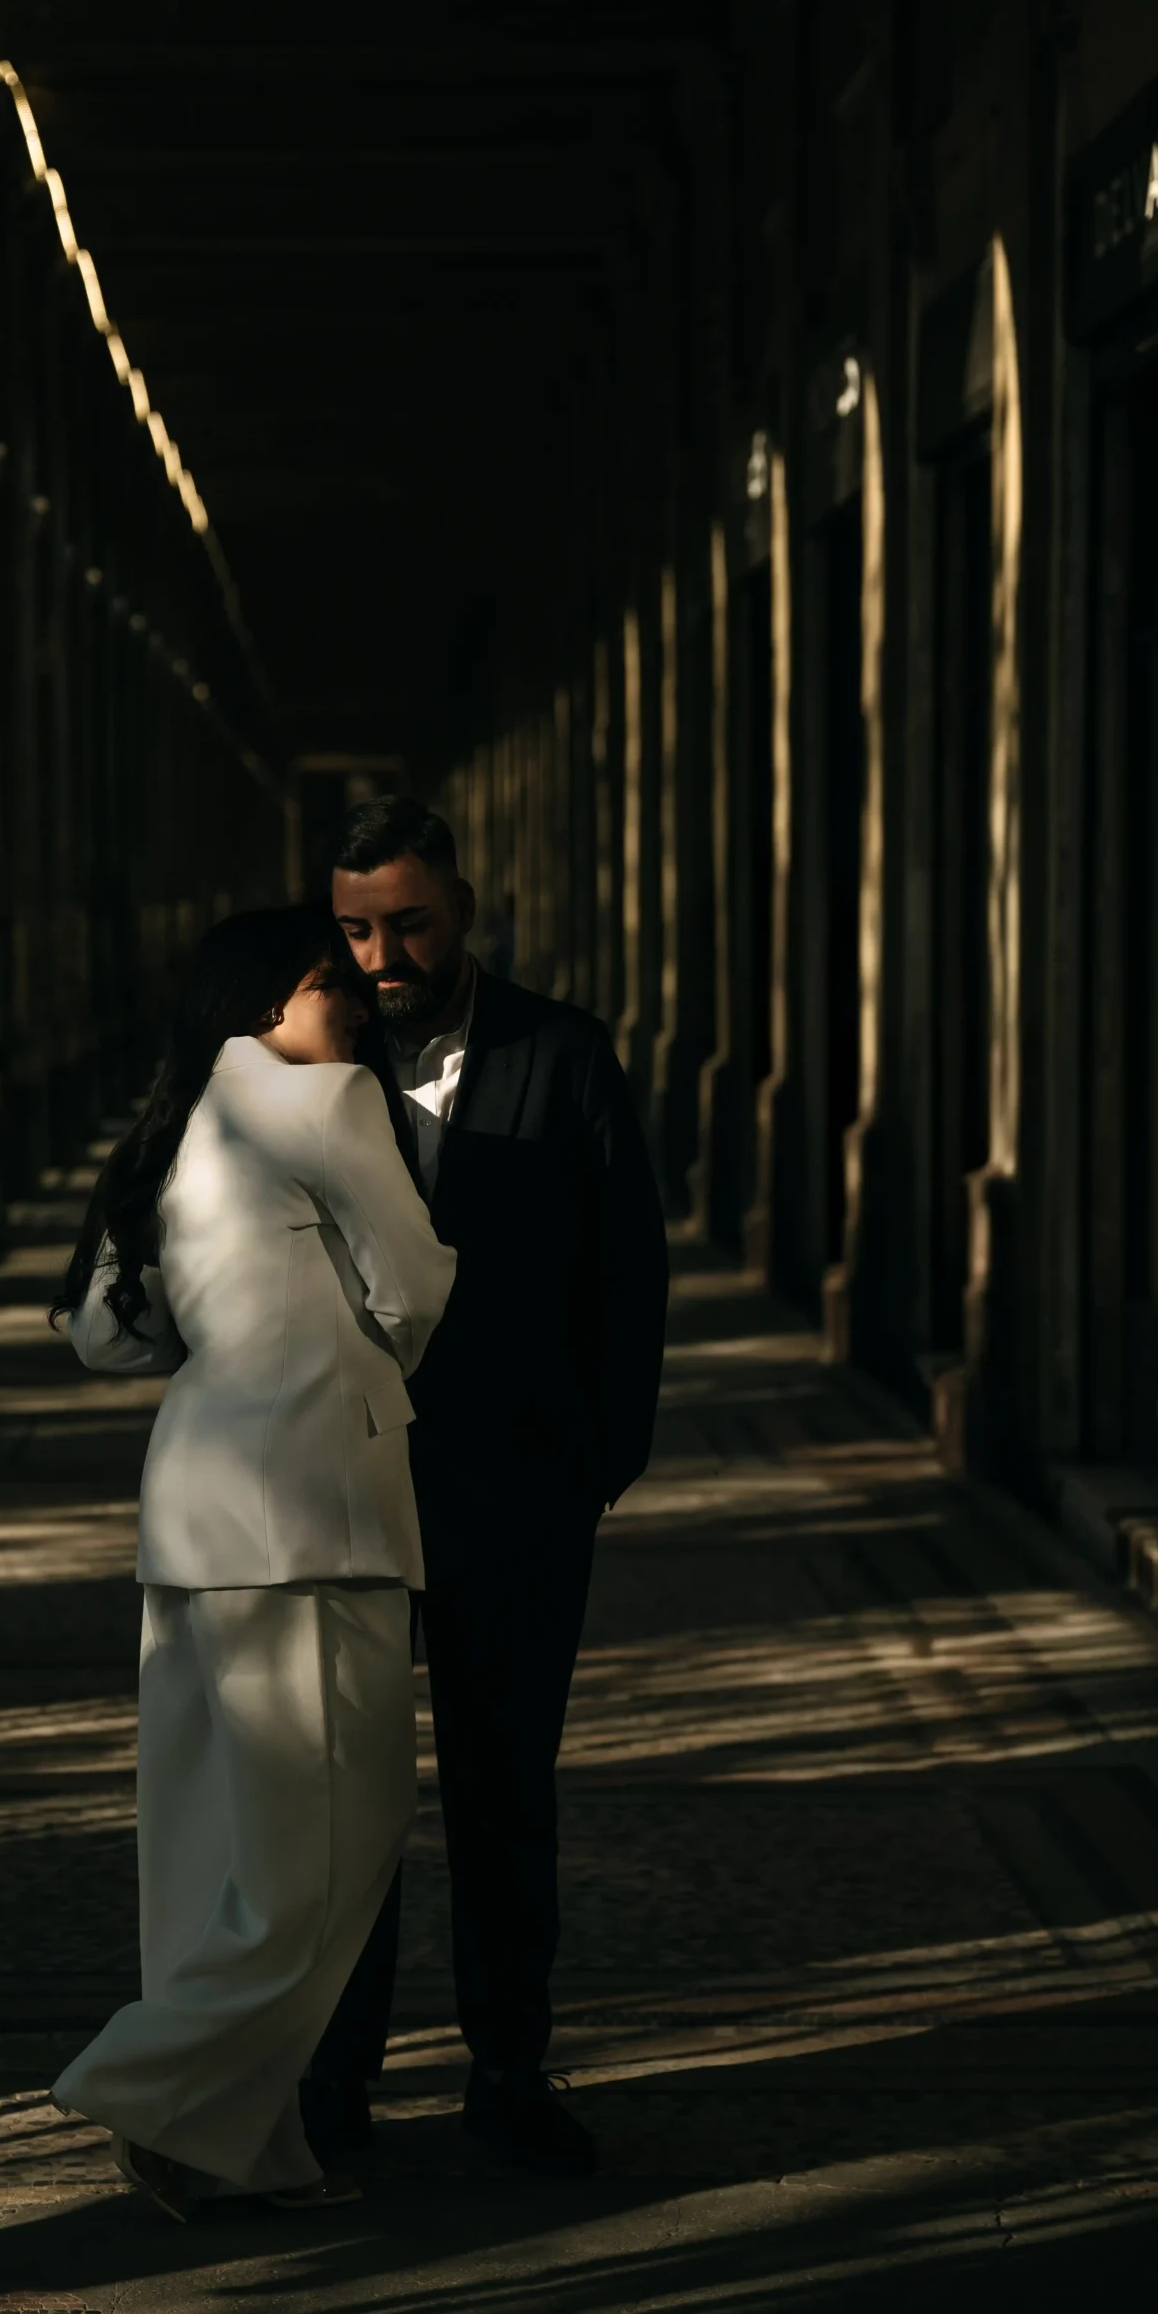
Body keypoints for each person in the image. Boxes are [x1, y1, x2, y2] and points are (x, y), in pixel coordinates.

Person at [50, 902, 456, 2220]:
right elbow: (416, 1291)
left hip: (194, 1512)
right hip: (309, 1515)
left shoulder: (175, 1124)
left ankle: (228, 2140)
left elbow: (105, 1339)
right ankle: (145, 2084)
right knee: (335, 1844)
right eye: (324, 974)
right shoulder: (326, 1100)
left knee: (210, 1849)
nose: (351, 990)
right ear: (263, 1001)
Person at [309, 796, 668, 2178]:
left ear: (460, 902)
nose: (380, 951)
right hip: (340, 1492)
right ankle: (339, 2073)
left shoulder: (563, 1053)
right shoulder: (302, 1062)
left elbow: (625, 1275)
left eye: (404, 921)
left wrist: (591, 1467)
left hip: (517, 1494)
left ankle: (507, 2067)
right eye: (353, 927)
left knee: (504, 1788)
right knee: (345, 1802)